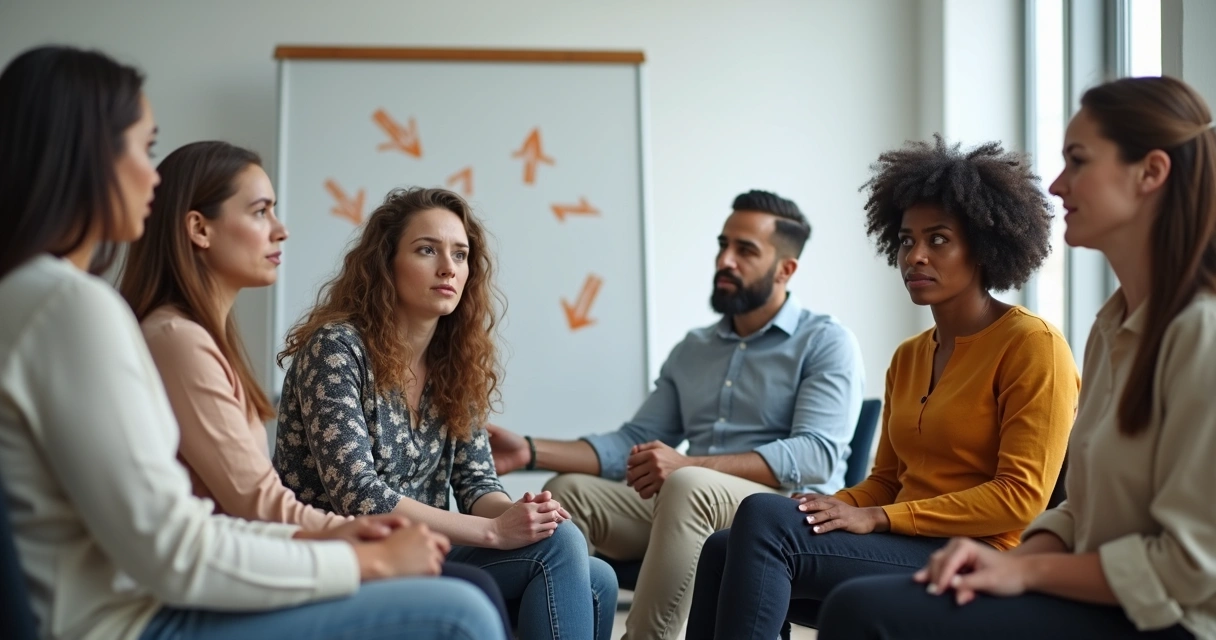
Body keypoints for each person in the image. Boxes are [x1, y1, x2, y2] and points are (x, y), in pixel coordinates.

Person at [0, 45, 504, 640]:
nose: (151, 175)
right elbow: (175, 546)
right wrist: (355, 558)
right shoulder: (75, 309)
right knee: (462, 610)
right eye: (143, 148)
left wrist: (340, 542)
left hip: (142, 600)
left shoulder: (43, 298)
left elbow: (187, 525)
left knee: (524, 576)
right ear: (85, 156)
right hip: (130, 621)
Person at [817, 76, 1216, 640]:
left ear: (1151, 172)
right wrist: (1024, 561)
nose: (1056, 185)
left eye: (1077, 161)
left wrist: (1024, 568)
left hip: (1168, 620)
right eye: (908, 241)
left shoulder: (1201, 334)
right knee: (823, 573)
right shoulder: (1111, 327)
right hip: (1089, 592)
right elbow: (1078, 509)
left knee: (863, 611)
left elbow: (1190, 568)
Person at [687, 136, 1080, 639]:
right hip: (903, 540)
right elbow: (888, 480)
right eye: (905, 240)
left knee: (764, 518)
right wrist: (835, 506)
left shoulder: (1032, 344)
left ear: (983, 246)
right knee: (729, 542)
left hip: (981, 555)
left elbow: (1019, 498)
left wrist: (879, 518)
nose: (915, 256)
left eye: (938, 239)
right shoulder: (910, 355)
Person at [117, 140, 512, 638]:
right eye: (261, 212)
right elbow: (263, 504)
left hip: (249, 559)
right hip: (203, 584)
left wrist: (512, 515)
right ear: (199, 229)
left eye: (461, 254)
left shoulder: (199, 338)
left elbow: (477, 481)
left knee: (571, 562)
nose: (281, 229)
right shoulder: (182, 339)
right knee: (468, 605)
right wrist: (365, 548)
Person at [488, 189, 866, 639]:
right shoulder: (694, 348)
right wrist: (529, 452)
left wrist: (689, 465)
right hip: (691, 505)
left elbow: (816, 454)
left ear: (786, 269)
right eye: (723, 244)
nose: (725, 260)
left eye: (745, 250)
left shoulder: (825, 341)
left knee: (688, 484)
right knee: (568, 494)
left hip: (784, 514)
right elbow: (636, 439)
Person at [272, 186, 617, 640]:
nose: (447, 267)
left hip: (425, 551)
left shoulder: (454, 361)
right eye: (426, 250)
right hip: (347, 555)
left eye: (460, 254)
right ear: (385, 263)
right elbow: (358, 496)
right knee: (565, 552)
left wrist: (524, 516)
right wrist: (494, 531)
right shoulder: (337, 349)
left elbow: (477, 485)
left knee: (596, 575)